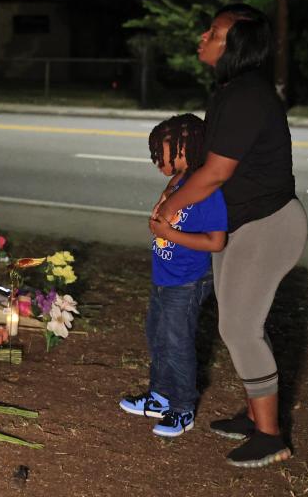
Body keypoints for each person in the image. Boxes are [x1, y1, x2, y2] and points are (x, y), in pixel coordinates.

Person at [154, 4, 308, 467]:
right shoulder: (231, 92)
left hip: (268, 223)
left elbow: (218, 172)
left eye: (215, 31)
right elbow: (206, 164)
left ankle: (270, 435)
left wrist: (171, 209)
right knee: (239, 325)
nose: (204, 35)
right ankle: (255, 414)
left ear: (236, 44)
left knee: (239, 327)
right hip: (245, 223)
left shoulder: (246, 96)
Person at [120, 113, 227, 438]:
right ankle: (160, 396)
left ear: (188, 149)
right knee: (157, 335)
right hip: (164, 276)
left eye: (166, 153)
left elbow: (216, 241)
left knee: (177, 342)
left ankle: (182, 409)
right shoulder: (178, 182)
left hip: (188, 279)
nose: (158, 160)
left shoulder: (207, 191)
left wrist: (168, 232)